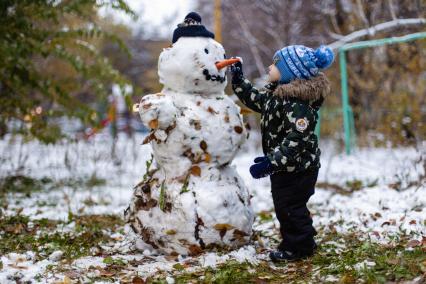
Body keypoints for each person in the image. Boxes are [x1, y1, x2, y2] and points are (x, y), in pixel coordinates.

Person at [230, 45, 334, 261]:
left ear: (290, 71)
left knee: (290, 207)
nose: (270, 66)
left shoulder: (298, 104)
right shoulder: (277, 96)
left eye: (276, 64)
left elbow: (297, 140)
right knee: (286, 206)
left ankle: (298, 248)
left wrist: (272, 162)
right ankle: (302, 240)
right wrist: (239, 80)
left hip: (299, 169)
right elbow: (255, 99)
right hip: (286, 166)